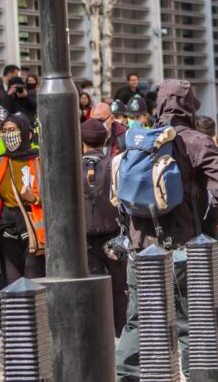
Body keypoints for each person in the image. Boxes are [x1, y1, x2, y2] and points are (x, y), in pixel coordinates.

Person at [115, 79, 218, 380]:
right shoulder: (197, 141)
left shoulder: (139, 139)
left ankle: (127, 375)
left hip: (140, 249)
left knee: (138, 321)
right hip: (182, 246)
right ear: (189, 106)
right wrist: (207, 226)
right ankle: (196, 376)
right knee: (189, 321)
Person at [0, 114, 45, 291]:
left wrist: (35, 198)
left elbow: (54, 195)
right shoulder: (0, 162)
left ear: (27, 134)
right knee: (12, 283)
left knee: (34, 282)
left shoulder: (39, 160)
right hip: (8, 227)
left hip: (33, 228)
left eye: (12, 130)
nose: (8, 135)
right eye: (5, 131)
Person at [80, 118, 127, 337]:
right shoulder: (114, 164)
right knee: (120, 287)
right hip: (114, 234)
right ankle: (121, 331)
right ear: (105, 139)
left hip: (85, 239)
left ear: (81, 141)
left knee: (92, 286)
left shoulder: (73, 168)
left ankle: (99, 334)